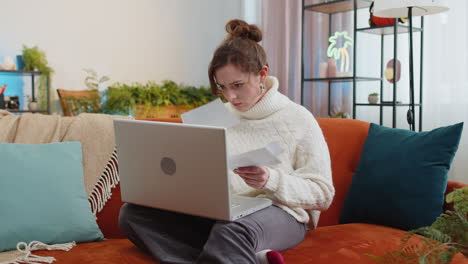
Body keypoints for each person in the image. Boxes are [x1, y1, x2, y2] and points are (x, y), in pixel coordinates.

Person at [119, 19, 335, 264]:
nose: (230, 96)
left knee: (232, 231)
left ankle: (233, 250)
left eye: (238, 85)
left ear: (262, 74)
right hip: (223, 213)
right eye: (222, 87)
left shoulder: (298, 118)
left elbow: (323, 194)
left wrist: (271, 180)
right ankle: (241, 256)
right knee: (132, 215)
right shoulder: (215, 116)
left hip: (281, 213)